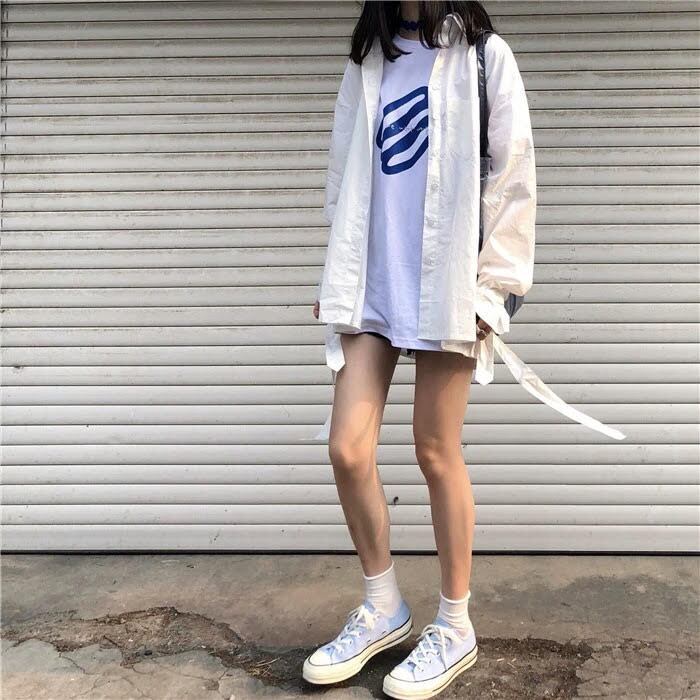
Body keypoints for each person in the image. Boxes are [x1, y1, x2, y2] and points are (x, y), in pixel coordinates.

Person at [302, 2, 624, 698]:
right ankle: (383, 606)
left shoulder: (484, 55)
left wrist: (493, 290)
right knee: (347, 449)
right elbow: (342, 169)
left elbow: (513, 178)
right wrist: (336, 272)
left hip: (447, 283)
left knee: (435, 450)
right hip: (372, 282)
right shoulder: (369, 58)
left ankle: (454, 625)